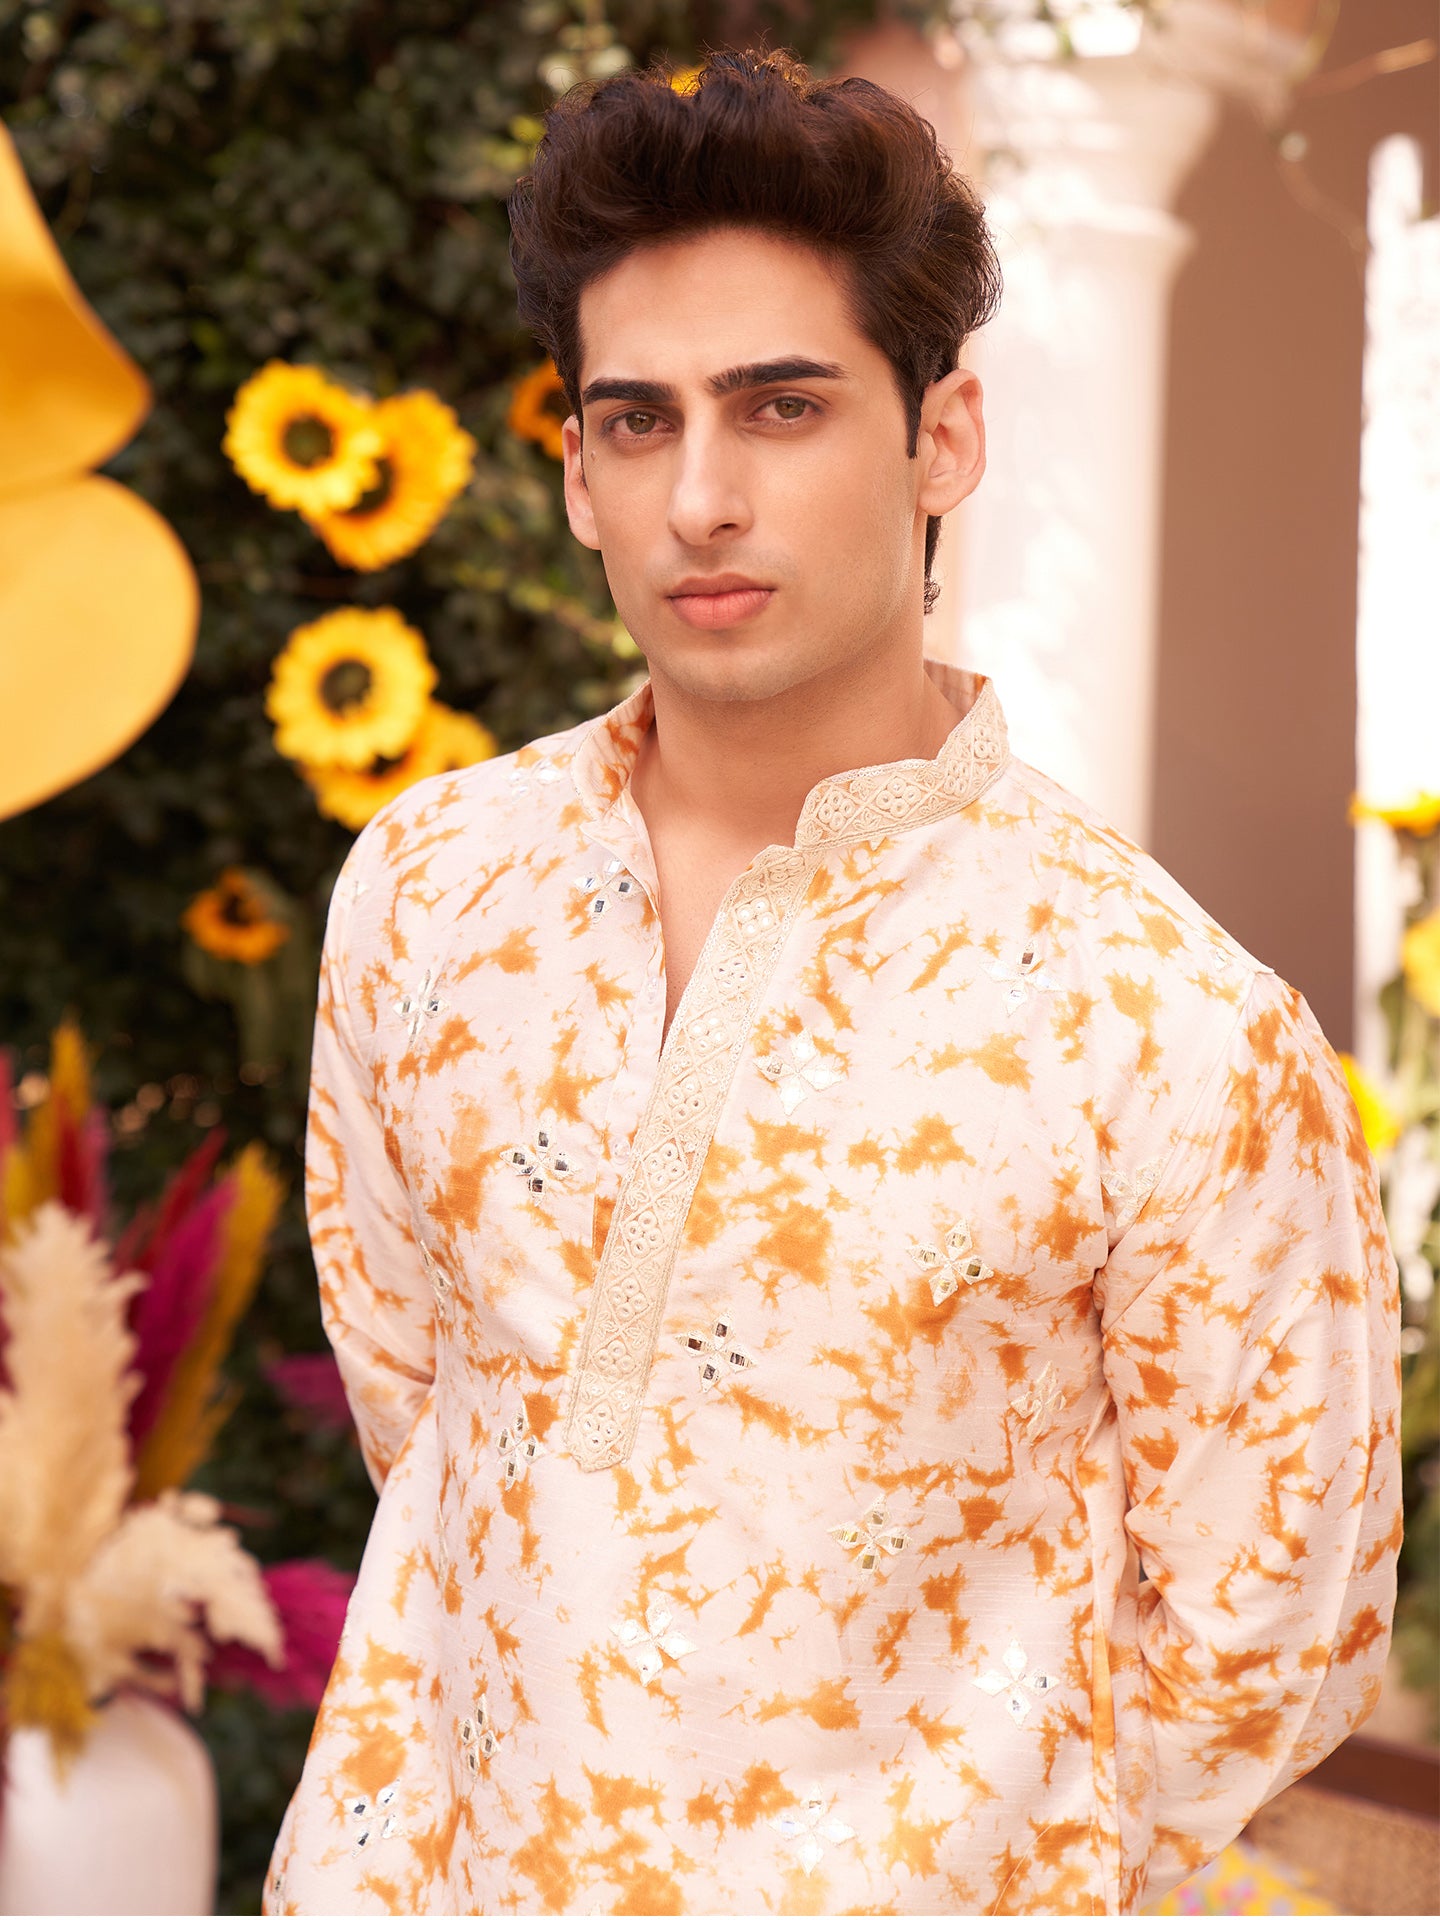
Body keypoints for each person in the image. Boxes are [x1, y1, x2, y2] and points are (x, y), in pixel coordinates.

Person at [266, 50, 1401, 1917]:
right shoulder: (430, 893)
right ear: (576, 474)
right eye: (637, 422)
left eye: (780, 407)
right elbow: (429, 1405)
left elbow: (1263, 1647)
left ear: (942, 439)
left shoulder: (1163, 1023)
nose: (702, 497)